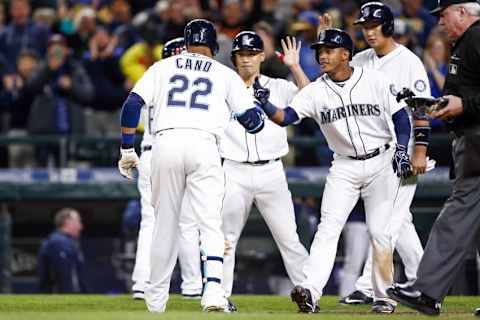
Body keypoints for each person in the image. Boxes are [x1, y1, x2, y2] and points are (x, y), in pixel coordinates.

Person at [253, 28, 413, 313]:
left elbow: (401, 116)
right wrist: (266, 104)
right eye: (319, 52)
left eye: (328, 51)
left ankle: (384, 296)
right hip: (344, 166)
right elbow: (285, 118)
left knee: (380, 231)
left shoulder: (374, 79)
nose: (322, 56)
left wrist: (402, 149)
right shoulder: (315, 90)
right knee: (328, 228)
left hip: (380, 161)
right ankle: (310, 292)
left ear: (345, 54)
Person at [117, 19, 265, 313]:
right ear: (213, 45)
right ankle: (212, 291)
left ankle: (155, 300)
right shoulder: (224, 74)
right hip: (204, 146)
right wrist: (250, 111)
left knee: (164, 225)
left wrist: (126, 148)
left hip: (165, 144)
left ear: (186, 43)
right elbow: (254, 123)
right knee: (209, 223)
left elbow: (132, 105)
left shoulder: (162, 67)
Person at [387, 1, 480, 316]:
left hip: (478, 142)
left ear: (463, 13)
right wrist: (444, 106)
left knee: (456, 216)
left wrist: (464, 105)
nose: (440, 22)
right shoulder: (467, 42)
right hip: (471, 139)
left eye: (444, 15)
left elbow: (468, 100)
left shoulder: (477, 38)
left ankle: (426, 291)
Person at [337, 3, 431, 313]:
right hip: (374, 153)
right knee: (398, 221)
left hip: (402, 152)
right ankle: (424, 281)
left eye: (374, 26)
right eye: (364, 27)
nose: (369, 31)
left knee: (386, 224)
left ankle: (370, 287)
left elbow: (421, 109)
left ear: (388, 26)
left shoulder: (409, 62)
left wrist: (420, 150)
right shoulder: (361, 59)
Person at [221, 31, 310, 305]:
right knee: (225, 240)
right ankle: (219, 297)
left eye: (251, 54)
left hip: (271, 171)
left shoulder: (279, 86)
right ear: (234, 58)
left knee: (289, 239)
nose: (246, 60)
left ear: (262, 56)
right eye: (241, 55)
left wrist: (295, 67)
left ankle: (309, 292)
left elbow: (311, 99)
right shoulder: (222, 89)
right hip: (233, 170)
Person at [130, 37, 203, 300]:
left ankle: (142, 282)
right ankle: (193, 285)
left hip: (150, 153)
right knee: (186, 222)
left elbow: (134, 115)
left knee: (150, 222)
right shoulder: (191, 84)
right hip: (175, 151)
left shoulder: (152, 78)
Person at [37, 208, 88, 293]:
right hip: (60, 297)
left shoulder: (68, 242)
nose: (81, 227)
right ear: (67, 222)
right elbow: (63, 276)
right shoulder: (58, 242)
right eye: (78, 222)